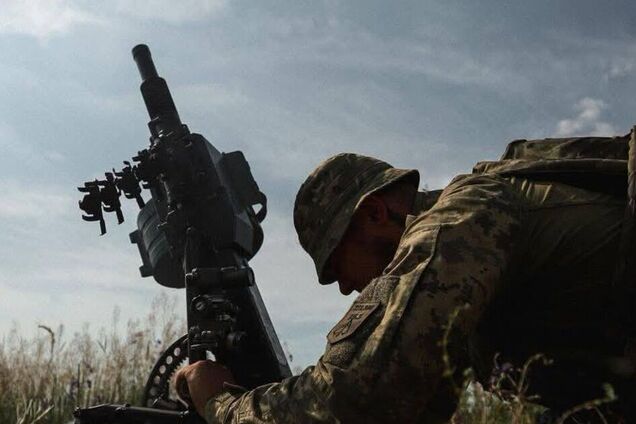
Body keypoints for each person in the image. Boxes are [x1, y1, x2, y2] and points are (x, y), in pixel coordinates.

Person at [176, 131, 636, 423]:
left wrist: (220, 404)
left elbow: (357, 399)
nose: (344, 287)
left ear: (374, 213)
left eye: (336, 264)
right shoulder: (466, 288)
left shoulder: (460, 221)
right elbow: (410, 409)